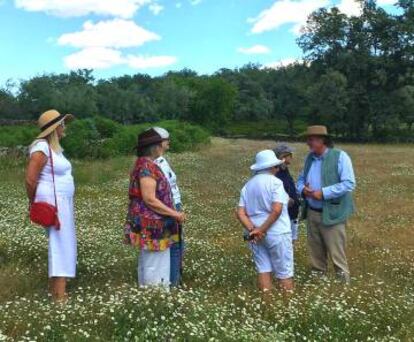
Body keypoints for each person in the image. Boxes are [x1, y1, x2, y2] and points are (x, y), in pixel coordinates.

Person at [25, 109, 76, 303]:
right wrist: (34, 202)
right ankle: (59, 296)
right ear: (56, 128)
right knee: (60, 245)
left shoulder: (52, 148)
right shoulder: (42, 148)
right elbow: (30, 179)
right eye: (63, 124)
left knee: (63, 244)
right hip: (54, 203)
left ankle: (57, 290)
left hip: (62, 202)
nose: (65, 127)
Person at [124, 128, 185, 288]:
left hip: (153, 223)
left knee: (152, 262)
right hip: (152, 224)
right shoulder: (147, 167)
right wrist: (175, 213)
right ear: (155, 147)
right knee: (154, 264)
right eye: (161, 143)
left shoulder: (145, 164)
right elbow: (150, 199)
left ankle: (151, 294)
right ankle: (154, 295)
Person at [297, 125, 356, 283]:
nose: (308, 143)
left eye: (311, 139)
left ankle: (343, 287)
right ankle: (319, 284)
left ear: (322, 140)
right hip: (312, 212)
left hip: (332, 214)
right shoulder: (309, 158)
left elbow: (348, 183)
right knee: (316, 254)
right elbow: (301, 179)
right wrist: (304, 189)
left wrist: (322, 193)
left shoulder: (340, 156)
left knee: (337, 255)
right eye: (308, 139)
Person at [237, 150, 294, 292]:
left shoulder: (247, 185)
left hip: (255, 236)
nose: (277, 169)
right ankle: (287, 309)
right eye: (276, 166)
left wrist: (253, 230)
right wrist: (261, 229)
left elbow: (240, 212)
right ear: (271, 167)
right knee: (284, 273)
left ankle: (267, 307)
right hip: (277, 233)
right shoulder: (276, 183)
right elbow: (276, 210)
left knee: (263, 270)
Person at [152, 127, 184, 287]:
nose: (169, 142)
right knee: (173, 246)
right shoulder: (153, 164)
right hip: (168, 208)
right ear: (158, 143)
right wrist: (173, 211)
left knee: (177, 245)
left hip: (174, 205)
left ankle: (176, 279)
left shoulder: (162, 160)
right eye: (166, 140)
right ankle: (172, 283)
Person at [274, 144, 301, 243]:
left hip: (293, 214)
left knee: (290, 243)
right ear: (283, 156)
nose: (292, 157)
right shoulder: (276, 172)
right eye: (290, 154)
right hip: (284, 216)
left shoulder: (285, 170)